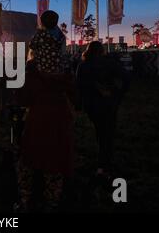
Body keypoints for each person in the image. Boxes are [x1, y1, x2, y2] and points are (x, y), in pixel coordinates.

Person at [18, 57, 75, 210]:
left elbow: (24, 99)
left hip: (40, 116)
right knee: (63, 148)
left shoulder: (32, 76)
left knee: (38, 150)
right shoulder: (61, 72)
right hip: (61, 115)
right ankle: (67, 188)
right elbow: (73, 90)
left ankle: (38, 188)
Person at [76, 41, 130, 179]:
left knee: (101, 132)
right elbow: (126, 78)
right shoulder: (109, 63)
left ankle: (103, 163)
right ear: (101, 51)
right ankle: (104, 165)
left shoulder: (83, 65)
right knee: (107, 134)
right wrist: (118, 94)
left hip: (92, 106)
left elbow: (78, 86)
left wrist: (81, 102)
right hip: (108, 104)